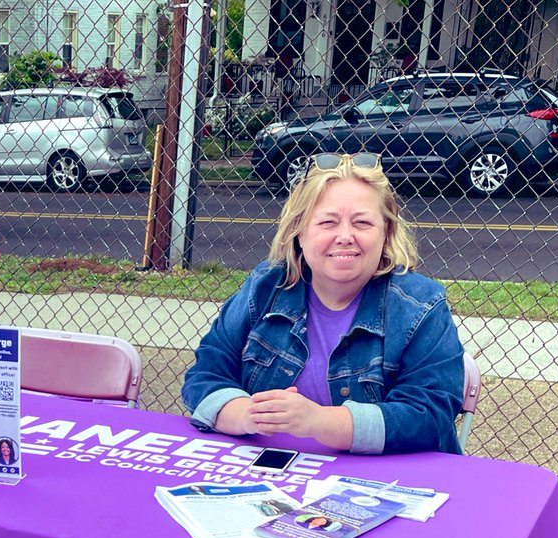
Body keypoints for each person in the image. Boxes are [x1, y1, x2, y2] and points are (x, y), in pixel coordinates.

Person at [182, 153, 464, 455]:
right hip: (275, 475)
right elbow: (205, 374)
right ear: (299, 233)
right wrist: (247, 415)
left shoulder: (420, 306)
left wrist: (319, 422)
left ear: (386, 233)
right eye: (328, 222)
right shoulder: (264, 288)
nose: (345, 236)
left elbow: (431, 416)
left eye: (362, 222)